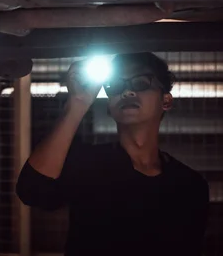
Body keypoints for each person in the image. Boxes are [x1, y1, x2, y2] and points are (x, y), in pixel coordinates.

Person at [16, 52, 209, 256]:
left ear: (166, 101)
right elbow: (32, 190)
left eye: (141, 83)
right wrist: (78, 102)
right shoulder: (88, 164)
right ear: (109, 106)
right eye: (116, 86)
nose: (127, 92)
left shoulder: (189, 184)